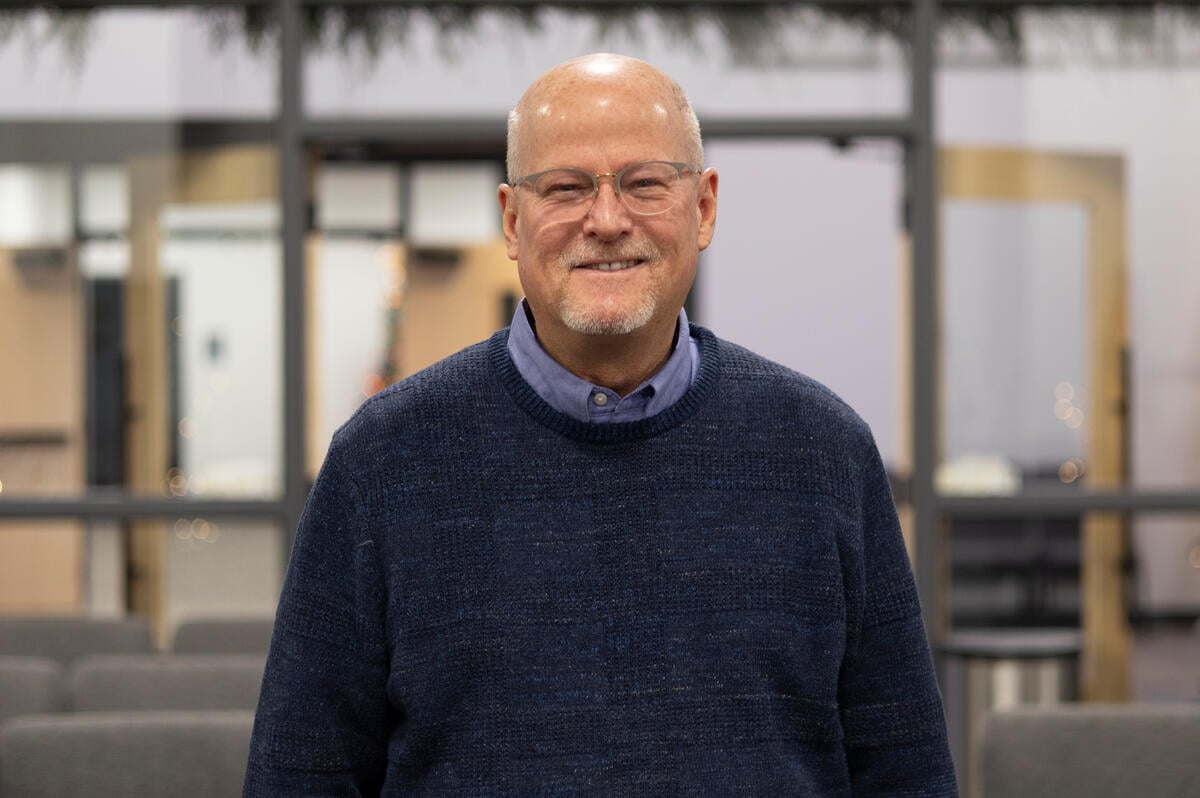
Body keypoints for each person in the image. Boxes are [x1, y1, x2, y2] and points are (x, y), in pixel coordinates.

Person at [244, 53, 957, 796]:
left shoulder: (824, 454)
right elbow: (299, 779)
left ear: (704, 208)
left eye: (645, 184)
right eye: (566, 187)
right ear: (512, 220)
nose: (608, 221)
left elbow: (907, 774)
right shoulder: (380, 464)